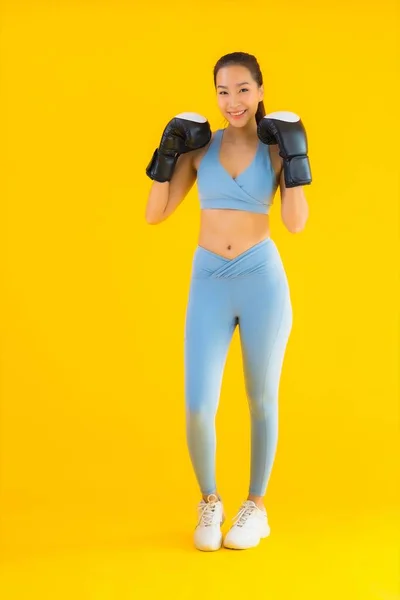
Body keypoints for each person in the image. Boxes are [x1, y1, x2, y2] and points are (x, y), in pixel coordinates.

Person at [145, 51, 311, 551]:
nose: (232, 101)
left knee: (260, 399)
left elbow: (296, 223)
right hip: (210, 280)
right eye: (222, 91)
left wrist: (299, 158)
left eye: (242, 89)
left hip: (262, 280)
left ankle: (255, 508)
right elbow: (156, 213)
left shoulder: (278, 149)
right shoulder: (201, 149)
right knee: (198, 406)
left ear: (260, 92)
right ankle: (210, 501)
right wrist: (165, 154)